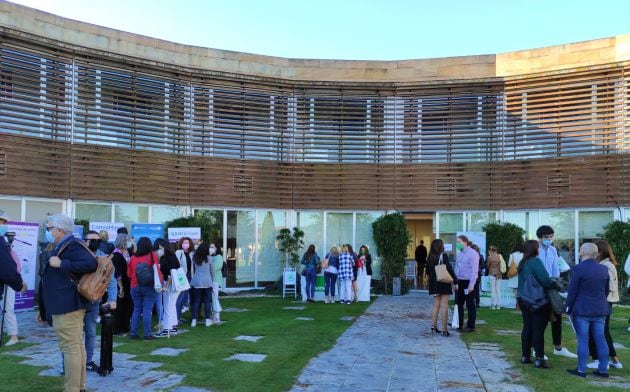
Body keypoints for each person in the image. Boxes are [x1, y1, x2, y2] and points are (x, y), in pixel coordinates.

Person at [42, 213, 98, 392]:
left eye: (49, 228)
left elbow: (91, 263)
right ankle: (78, 387)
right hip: (65, 303)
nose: (48, 231)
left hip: (67, 304)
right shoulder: (65, 244)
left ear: (59, 230)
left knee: (70, 347)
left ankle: (72, 389)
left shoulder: (72, 244)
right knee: (76, 346)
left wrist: (62, 264)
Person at [566, 243, 611, 378]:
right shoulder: (603, 269)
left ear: (581, 253)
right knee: (601, 339)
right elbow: (606, 290)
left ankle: (581, 370)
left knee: (583, 340)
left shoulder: (578, 269)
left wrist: (568, 307)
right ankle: (603, 370)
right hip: (600, 309)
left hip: (583, 310)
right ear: (596, 254)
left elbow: (572, 291)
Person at [536, 225, 576, 358]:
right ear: (540, 237)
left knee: (557, 316)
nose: (549, 239)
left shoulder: (553, 249)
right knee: (540, 319)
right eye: (546, 237)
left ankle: (558, 347)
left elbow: (555, 269)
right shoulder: (535, 250)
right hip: (538, 287)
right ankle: (536, 348)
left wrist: (557, 284)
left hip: (552, 286)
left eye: (551, 236)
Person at [83, 230, 117, 372]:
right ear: (85, 241)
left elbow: (111, 280)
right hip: (74, 301)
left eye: (98, 240)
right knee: (73, 334)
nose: (96, 242)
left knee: (90, 331)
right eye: (92, 240)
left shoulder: (103, 257)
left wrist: (112, 299)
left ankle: (88, 361)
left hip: (93, 300)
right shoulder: (78, 254)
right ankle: (68, 364)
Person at [517, 240, 555, 369]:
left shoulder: (523, 262)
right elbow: (545, 280)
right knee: (538, 329)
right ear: (535, 249)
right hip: (537, 300)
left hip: (523, 299)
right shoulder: (535, 262)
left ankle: (525, 356)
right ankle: (539, 358)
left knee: (527, 327)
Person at [586, 240, 622, 370]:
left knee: (598, 331)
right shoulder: (606, 264)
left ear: (600, 252)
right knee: (603, 332)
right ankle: (614, 360)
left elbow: (608, 287)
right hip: (605, 301)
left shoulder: (606, 266)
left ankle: (599, 359)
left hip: (603, 302)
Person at [127, 237, 162, 340]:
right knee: (147, 310)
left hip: (134, 286)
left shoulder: (133, 257)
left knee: (136, 309)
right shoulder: (152, 256)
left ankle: (133, 332)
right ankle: (147, 334)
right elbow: (157, 271)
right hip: (149, 287)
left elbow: (129, 273)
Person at [0, 211, 26, 346]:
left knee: (7, 308)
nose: (3, 225)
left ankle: (13, 336)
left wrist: (15, 280)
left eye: (4, 223)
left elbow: (16, 266)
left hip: (7, 281)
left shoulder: (5, 244)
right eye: (1, 222)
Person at [427, 239, 457, 336]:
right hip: (443, 282)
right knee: (444, 305)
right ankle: (444, 329)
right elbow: (449, 269)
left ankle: (433, 326)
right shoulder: (443, 256)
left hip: (434, 283)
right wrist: (455, 281)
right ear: (440, 246)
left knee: (436, 305)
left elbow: (427, 271)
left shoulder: (430, 257)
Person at [154, 238, 180, 337]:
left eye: (160, 248)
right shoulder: (171, 257)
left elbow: (171, 274)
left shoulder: (168, 258)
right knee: (171, 306)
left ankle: (166, 330)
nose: (159, 250)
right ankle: (173, 328)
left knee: (168, 307)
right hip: (175, 285)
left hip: (170, 285)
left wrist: (166, 286)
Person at [455, 235, 479, 332]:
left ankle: (471, 325)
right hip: (459, 281)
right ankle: (459, 324)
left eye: (459, 242)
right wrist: (455, 281)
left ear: (465, 242)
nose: (457, 244)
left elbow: (474, 270)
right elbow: (457, 268)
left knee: (470, 304)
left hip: (468, 281)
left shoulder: (473, 254)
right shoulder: (460, 254)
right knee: (459, 303)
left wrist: (472, 284)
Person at [111, 233, 132, 336]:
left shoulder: (127, 252)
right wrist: (121, 287)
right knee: (119, 306)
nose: (129, 242)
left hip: (128, 282)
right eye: (128, 240)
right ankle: (117, 329)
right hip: (120, 284)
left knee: (127, 306)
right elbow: (117, 273)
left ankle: (125, 327)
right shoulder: (116, 255)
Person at [189, 243, 212, 328]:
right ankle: (207, 320)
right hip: (207, 282)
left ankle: (194, 320)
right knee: (207, 302)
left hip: (197, 282)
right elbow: (211, 271)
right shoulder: (209, 258)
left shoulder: (195, 258)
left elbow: (193, 270)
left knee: (196, 301)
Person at [175, 237, 194, 324]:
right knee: (179, 298)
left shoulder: (191, 253)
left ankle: (179, 316)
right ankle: (176, 318)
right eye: (183, 242)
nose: (185, 244)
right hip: (182, 277)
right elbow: (176, 263)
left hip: (189, 276)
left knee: (183, 298)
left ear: (190, 244)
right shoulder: (179, 252)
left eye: (187, 242)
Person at [507, 242, 525, 308]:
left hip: (514, 273)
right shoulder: (524, 255)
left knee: (515, 290)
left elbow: (509, 265)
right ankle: (520, 304)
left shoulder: (512, 255)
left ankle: (517, 303)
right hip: (522, 273)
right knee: (521, 289)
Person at [209, 243, 223, 324]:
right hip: (209, 280)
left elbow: (214, 268)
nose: (211, 248)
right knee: (211, 298)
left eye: (213, 247)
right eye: (210, 247)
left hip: (215, 280)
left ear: (217, 248)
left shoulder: (218, 257)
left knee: (215, 296)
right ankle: (213, 314)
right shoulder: (210, 257)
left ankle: (217, 316)